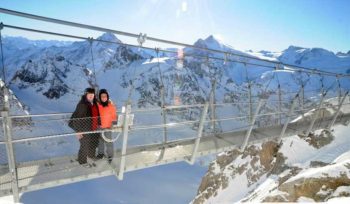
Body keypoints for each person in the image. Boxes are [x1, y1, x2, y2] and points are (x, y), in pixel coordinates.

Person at [69, 87, 100, 166]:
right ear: (86, 94)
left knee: (94, 143)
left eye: (92, 94)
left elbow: (97, 114)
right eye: (89, 94)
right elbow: (77, 119)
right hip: (84, 128)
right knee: (85, 145)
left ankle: (91, 156)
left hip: (94, 128)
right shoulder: (82, 105)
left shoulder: (95, 103)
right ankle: (82, 162)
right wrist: (78, 131)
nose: (91, 96)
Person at [96, 89, 117, 163]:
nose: (104, 98)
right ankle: (100, 154)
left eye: (105, 96)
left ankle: (110, 155)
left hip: (108, 127)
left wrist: (113, 125)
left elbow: (114, 116)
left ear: (107, 97)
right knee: (100, 141)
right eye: (102, 96)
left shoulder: (111, 106)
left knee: (109, 142)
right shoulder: (98, 105)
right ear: (100, 97)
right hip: (99, 126)